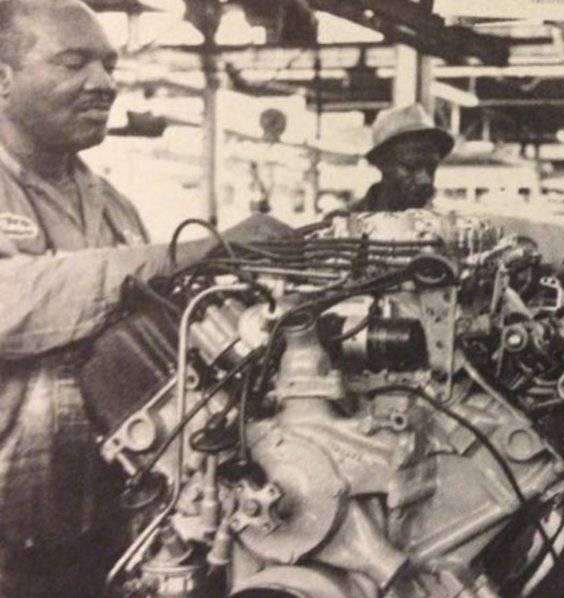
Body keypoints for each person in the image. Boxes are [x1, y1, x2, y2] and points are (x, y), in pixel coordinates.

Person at [0, 2, 292, 596]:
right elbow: (12, 304)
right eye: (74, 63)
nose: (104, 83)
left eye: (109, 65)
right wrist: (194, 254)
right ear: (3, 79)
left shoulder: (111, 204)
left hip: (103, 520)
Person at [349, 103, 454, 213]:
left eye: (431, 168)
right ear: (381, 163)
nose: (425, 180)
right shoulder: (346, 220)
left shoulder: (445, 221)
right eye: (411, 167)